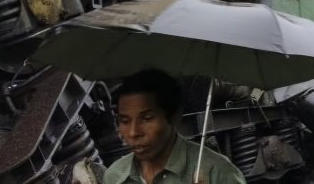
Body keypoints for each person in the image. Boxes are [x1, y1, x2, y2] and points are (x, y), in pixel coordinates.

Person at [104, 69, 246, 184]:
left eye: (147, 119)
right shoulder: (114, 176)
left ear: (174, 117)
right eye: (125, 121)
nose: (133, 132)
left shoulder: (217, 173)